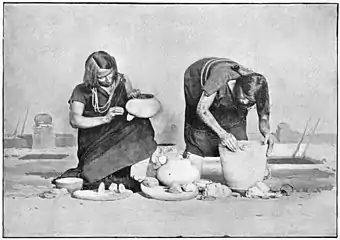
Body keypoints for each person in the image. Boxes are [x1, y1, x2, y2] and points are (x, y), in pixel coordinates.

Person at [52, 51, 158, 191]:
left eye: (110, 73)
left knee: (141, 125)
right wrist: (104, 118)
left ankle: (122, 173)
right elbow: (75, 120)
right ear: (92, 75)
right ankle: (106, 176)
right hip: (95, 140)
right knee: (91, 173)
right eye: (102, 77)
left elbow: (132, 105)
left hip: (119, 133)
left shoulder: (122, 81)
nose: (108, 79)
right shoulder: (81, 91)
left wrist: (133, 99)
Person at [183, 57, 275, 175]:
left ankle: (237, 177)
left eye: (250, 102)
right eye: (244, 98)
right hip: (196, 78)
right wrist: (223, 134)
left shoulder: (259, 84)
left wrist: (267, 132)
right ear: (238, 84)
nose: (246, 102)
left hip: (226, 90)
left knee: (239, 141)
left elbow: (264, 117)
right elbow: (202, 110)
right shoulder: (219, 77)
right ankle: (194, 158)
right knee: (199, 129)